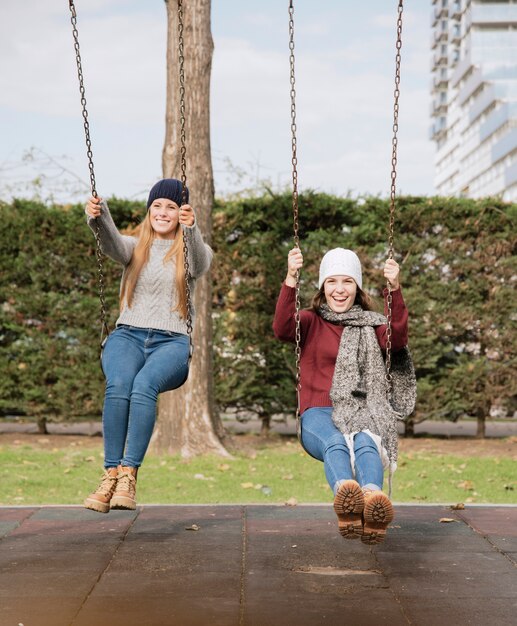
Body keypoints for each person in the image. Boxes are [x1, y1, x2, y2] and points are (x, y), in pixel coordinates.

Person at [83, 178, 213, 513]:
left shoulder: (190, 250)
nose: (163, 212)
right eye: (157, 205)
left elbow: (199, 263)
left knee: (143, 386)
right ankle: (110, 473)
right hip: (128, 335)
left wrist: (192, 228)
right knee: (119, 386)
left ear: (181, 212)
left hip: (171, 341)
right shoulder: (134, 247)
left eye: (171, 206)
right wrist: (100, 216)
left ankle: (129, 474)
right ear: (149, 210)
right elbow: (110, 243)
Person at [273, 247, 415, 544]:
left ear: (358, 287)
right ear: (323, 287)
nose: (339, 290)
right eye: (332, 282)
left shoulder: (371, 325)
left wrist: (395, 289)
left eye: (347, 282)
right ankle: (347, 501)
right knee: (336, 442)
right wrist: (290, 277)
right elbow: (283, 328)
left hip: (361, 411)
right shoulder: (311, 321)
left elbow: (397, 338)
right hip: (316, 414)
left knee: (366, 441)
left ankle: (373, 501)